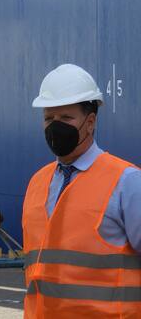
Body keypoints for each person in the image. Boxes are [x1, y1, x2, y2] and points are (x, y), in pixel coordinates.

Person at [24, 64, 141, 318]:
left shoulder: (127, 182)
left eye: (66, 118)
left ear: (90, 122)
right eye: (48, 118)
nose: (55, 127)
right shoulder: (36, 184)